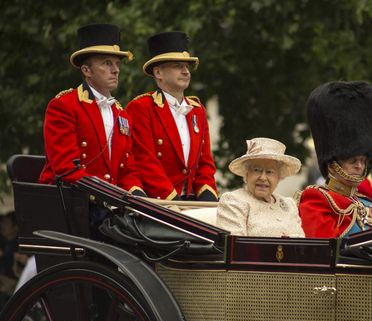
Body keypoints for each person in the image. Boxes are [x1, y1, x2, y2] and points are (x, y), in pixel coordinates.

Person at [38, 23, 145, 195]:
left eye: (117, 64)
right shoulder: (64, 106)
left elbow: (127, 171)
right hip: (70, 202)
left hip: (109, 204)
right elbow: (67, 170)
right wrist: (111, 198)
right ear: (87, 70)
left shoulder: (121, 113)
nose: (116, 70)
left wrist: (139, 198)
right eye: (107, 63)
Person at [126, 31, 218, 201]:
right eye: (177, 66)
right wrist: (172, 201)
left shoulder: (198, 110)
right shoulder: (141, 107)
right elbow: (145, 162)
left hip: (193, 203)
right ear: (158, 73)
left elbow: (205, 164)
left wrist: (209, 199)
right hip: (158, 202)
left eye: (187, 66)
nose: (185, 71)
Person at [298, 81, 372, 238]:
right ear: (332, 164)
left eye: (363, 161)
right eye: (353, 161)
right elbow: (325, 250)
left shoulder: (369, 203)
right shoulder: (317, 200)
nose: (359, 166)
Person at [216, 138, 304, 237]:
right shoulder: (233, 201)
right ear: (247, 173)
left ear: (279, 177)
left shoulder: (289, 204)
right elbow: (236, 247)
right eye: (257, 170)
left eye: (269, 172)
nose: (263, 177)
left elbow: (301, 244)